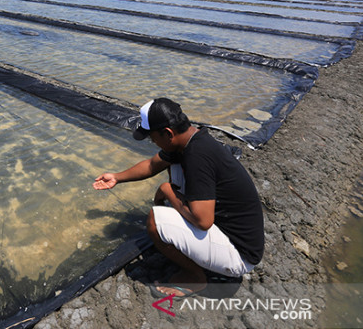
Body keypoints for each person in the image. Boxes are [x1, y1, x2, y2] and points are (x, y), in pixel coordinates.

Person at [93, 98, 264, 298]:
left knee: (155, 221)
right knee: (173, 167)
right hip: (230, 230)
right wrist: (116, 177)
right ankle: (195, 250)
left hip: (240, 255)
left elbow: (203, 221)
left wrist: (166, 190)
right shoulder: (190, 140)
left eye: (152, 137)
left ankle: (195, 278)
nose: (152, 142)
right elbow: (151, 165)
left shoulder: (197, 156)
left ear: (167, 133)